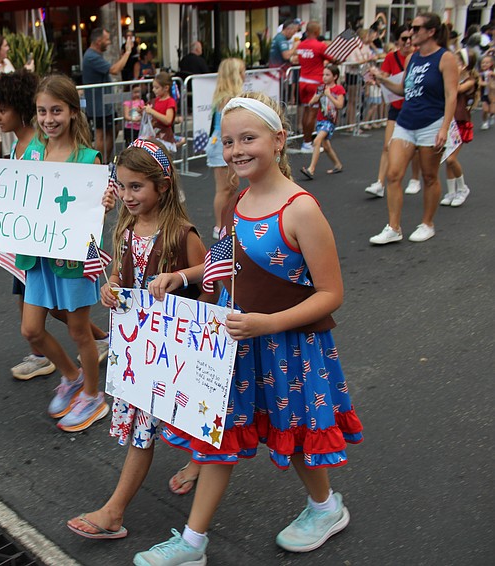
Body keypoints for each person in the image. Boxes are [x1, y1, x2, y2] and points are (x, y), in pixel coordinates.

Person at [132, 92, 363, 565]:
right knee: (218, 437)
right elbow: (229, 260)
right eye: (229, 140)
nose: (236, 149)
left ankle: (325, 508)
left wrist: (269, 323)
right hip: (237, 342)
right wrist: (185, 276)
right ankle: (192, 545)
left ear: (279, 141)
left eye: (248, 138)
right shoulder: (242, 198)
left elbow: (331, 294)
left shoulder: (301, 209)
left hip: (289, 346)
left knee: (295, 432)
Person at [65, 139, 208, 540]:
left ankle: (115, 510)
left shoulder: (182, 234)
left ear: (162, 186)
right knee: (145, 426)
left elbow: (209, 274)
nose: (127, 196)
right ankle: (114, 511)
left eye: (136, 187)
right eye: (122, 186)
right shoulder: (127, 227)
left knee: (187, 409)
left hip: (176, 347)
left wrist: (179, 279)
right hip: (141, 350)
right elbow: (121, 275)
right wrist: (109, 286)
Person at [0, 74, 109, 432]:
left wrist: (106, 200)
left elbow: (92, 211)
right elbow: (9, 194)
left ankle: (93, 396)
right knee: (31, 330)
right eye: (43, 111)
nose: (49, 118)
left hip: (72, 260)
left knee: (79, 333)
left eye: (57, 110)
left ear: (73, 112)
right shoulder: (30, 152)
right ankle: (72, 376)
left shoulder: (88, 158)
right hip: (35, 258)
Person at [369, 13, 457, 245]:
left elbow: (451, 95)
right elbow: (403, 90)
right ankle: (393, 227)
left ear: (431, 32)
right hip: (406, 122)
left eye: (416, 28)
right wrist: (382, 79)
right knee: (393, 174)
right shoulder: (412, 59)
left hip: (432, 123)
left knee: (429, 176)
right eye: (410, 28)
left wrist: (444, 128)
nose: (411, 33)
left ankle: (427, 224)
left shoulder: (445, 58)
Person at [364, 26, 422, 198]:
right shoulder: (391, 57)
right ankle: (380, 183)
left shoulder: (418, 57)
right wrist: (377, 79)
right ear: (398, 41)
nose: (407, 42)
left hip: (413, 107)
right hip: (396, 106)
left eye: (410, 38)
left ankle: (415, 179)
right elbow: (386, 78)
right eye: (404, 39)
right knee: (387, 145)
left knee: (416, 148)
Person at [82, 28, 135, 161]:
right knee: (101, 134)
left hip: (105, 103)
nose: (109, 42)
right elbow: (115, 70)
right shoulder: (91, 56)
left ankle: (105, 161)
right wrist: (128, 52)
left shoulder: (94, 55)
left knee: (114, 129)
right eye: (107, 39)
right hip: (99, 105)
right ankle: (100, 163)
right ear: (98, 41)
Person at [207, 58, 245, 237]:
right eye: (242, 71)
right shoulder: (227, 99)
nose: (245, 75)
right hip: (221, 145)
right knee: (224, 188)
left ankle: (227, 224)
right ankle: (219, 227)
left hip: (225, 144)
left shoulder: (227, 97)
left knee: (232, 186)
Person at [441, 48, 478, 208]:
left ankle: (462, 188)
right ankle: (451, 191)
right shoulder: (452, 77)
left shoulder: (470, 80)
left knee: (451, 158)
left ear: (464, 64)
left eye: (457, 61)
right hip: (448, 122)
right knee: (447, 159)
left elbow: (456, 90)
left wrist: (453, 75)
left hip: (460, 122)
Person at [300, 65, 345, 179]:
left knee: (317, 140)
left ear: (335, 76)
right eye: (323, 75)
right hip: (321, 119)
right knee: (326, 146)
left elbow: (340, 105)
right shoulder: (321, 88)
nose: (324, 77)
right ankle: (338, 164)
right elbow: (310, 102)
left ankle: (311, 169)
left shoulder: (338, 89)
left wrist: (329, 95)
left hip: (330, 120)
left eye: (327, 75)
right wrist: (318, 96)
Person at [296, 22, 335, 153]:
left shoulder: (301, 45)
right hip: (316, 82)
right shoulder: (320, 46)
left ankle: (306, 142)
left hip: (303, 81)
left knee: (307, 110)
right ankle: (307, 143)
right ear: (317, 32)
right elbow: (334, 59)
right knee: (313, 112)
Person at [143, 72, 177, 151]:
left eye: (156, 88)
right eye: (153, 87)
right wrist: (142, 110)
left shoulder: (170, 102)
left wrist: (151, 111)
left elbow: (168, 120)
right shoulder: (156, 100)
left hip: (164, 136)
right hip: (154, 134)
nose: (153, 90)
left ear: (166, 88)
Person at [478, 54, 493, 130]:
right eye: (483, 63)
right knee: (485, 109)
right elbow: (480, 82)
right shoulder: (481, 74)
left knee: (491, 110)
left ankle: (491, 115)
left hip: (492, 94)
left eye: (487, 63)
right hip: (484, 94)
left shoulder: (492, 72)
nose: (484, 64)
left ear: (491, 64)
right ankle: (484, 122)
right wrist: (487, 84)